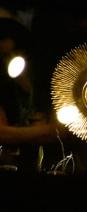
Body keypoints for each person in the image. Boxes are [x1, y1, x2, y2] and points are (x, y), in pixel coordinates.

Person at [0, 16, 59, 173]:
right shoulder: (4, 87)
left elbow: (62, 132)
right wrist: (40, 131)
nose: (10, 62)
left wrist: (20, 133)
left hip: (49, 167)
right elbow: (2, 134)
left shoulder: (50, 83)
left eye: (15, 53)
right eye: (3, 57)